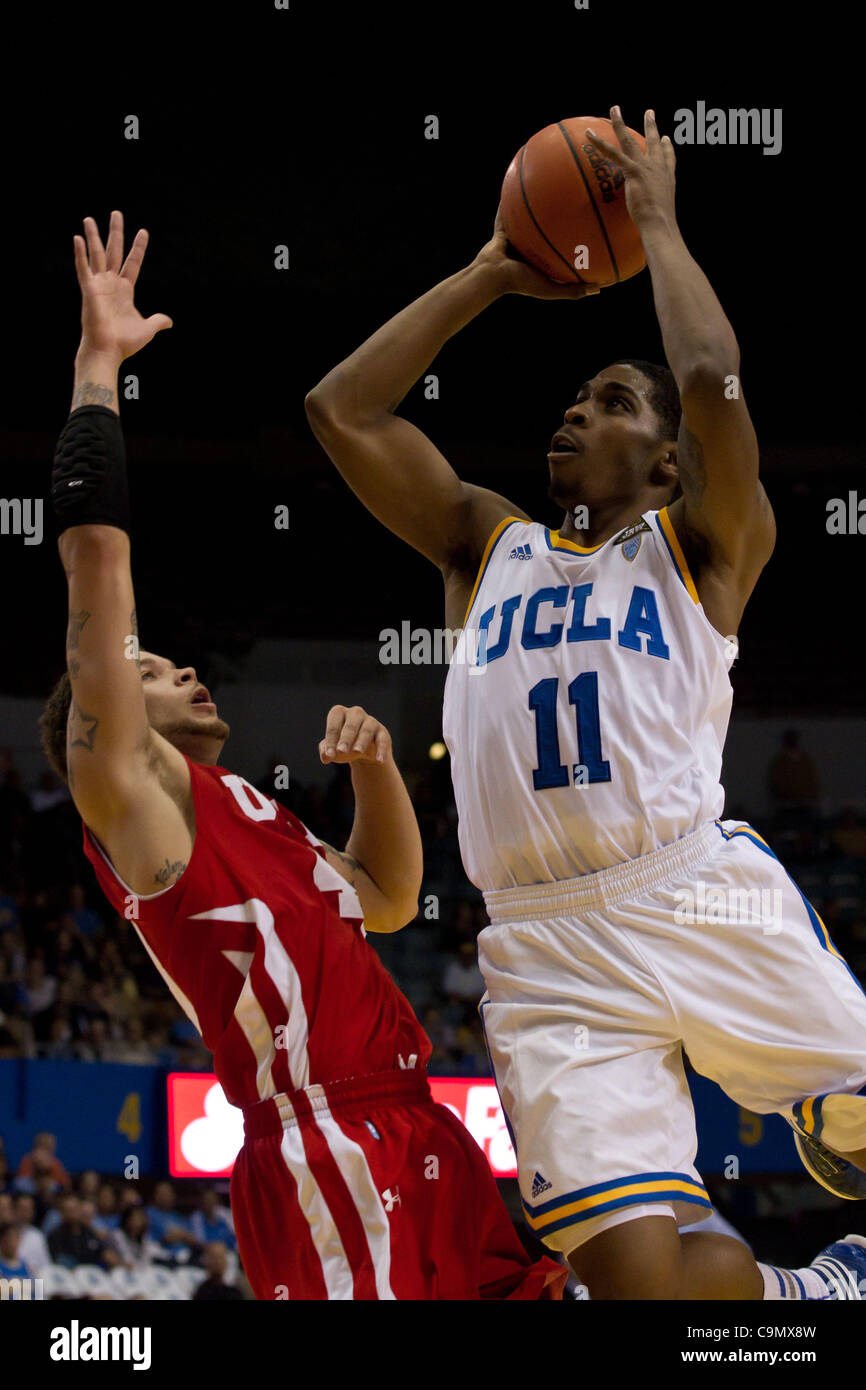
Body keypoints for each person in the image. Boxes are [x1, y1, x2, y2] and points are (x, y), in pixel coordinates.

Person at [305, 106, 866, 1301]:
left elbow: (710, 375)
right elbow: (340, 410)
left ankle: (832, 1102)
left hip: (690, 889)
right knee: (636, 1291)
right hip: (546, 947)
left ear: (667, 464)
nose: (573, 409)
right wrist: (489, 274)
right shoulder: (482, 546)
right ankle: (809, 1294)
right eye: (574, 396)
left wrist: (655, 220)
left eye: (609, 399)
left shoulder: (705, 544)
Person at [36, 210, 565, 1303]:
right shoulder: (133, 801)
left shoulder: (247, 810)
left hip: (414, 1124)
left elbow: (383, 897)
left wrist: (375, 771)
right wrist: (97, 367)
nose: (184, 673)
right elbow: (94, 561)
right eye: (155, 671)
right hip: (326, 1145)